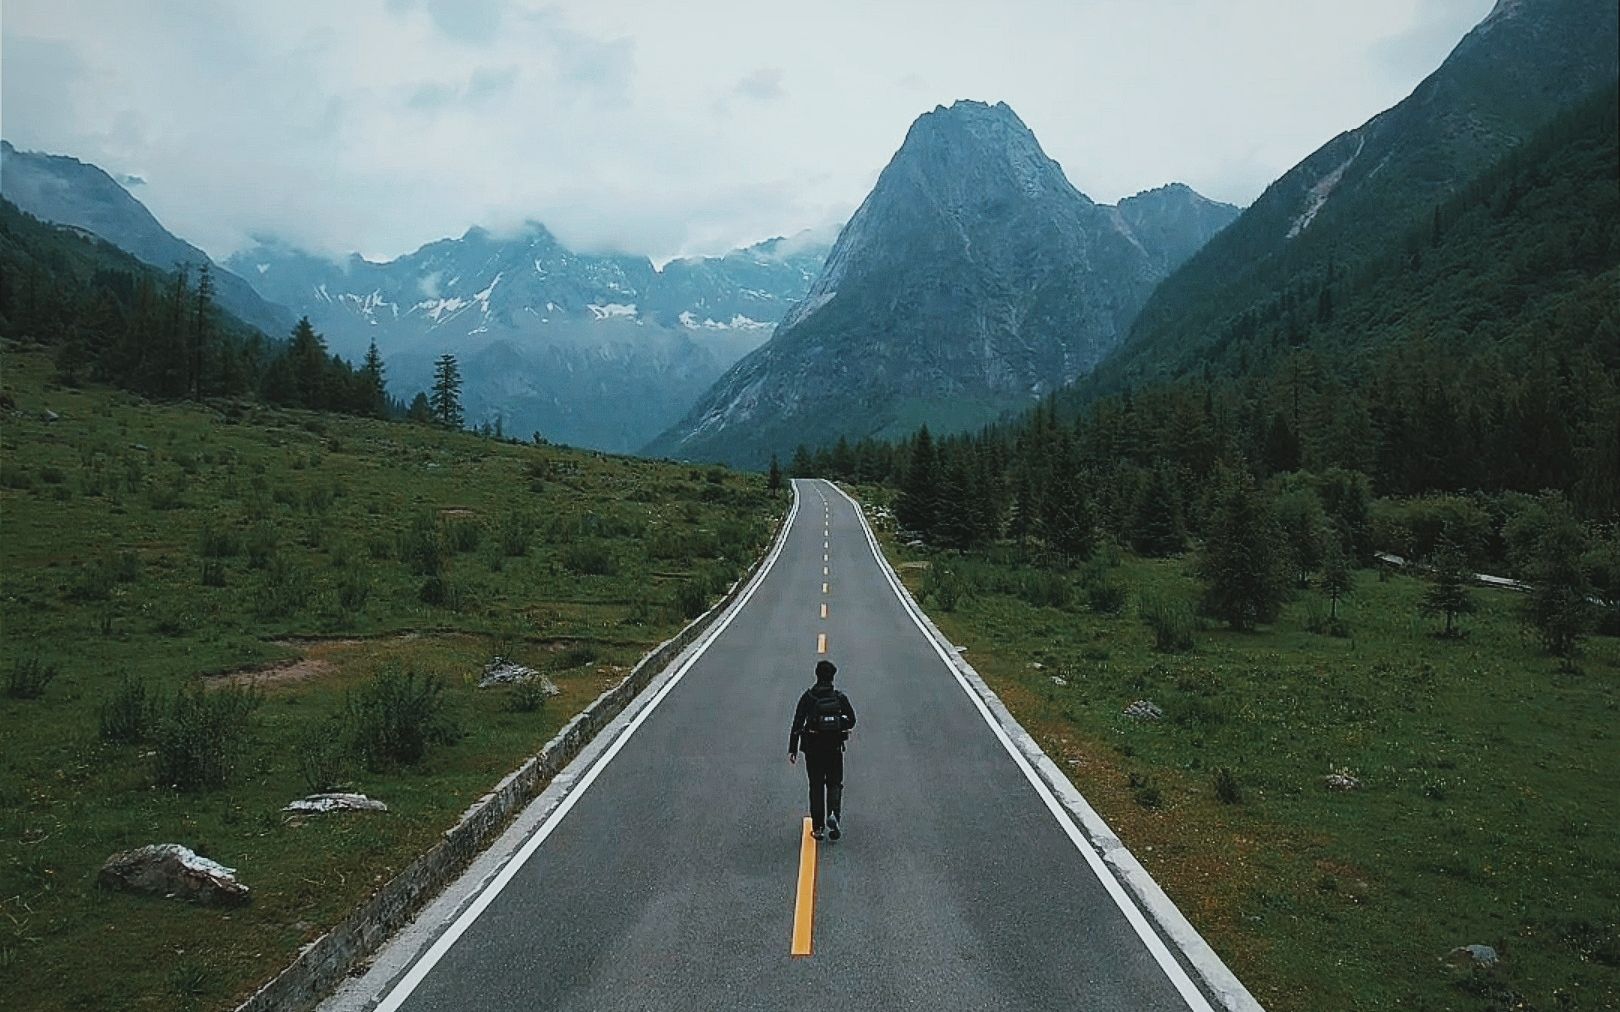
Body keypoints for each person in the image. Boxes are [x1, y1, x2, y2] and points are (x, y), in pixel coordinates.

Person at [788, 659, 857, 841]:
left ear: (816, 675)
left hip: (813, 750)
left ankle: (817, 828)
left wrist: (792, 748)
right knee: (834, 783)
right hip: (834, 748)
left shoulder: (808, 698)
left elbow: (797, 722)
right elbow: (852, 719)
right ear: (833, 676)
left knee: (816, 786)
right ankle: (834, 816)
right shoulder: (839, 698)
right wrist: (840, 725)